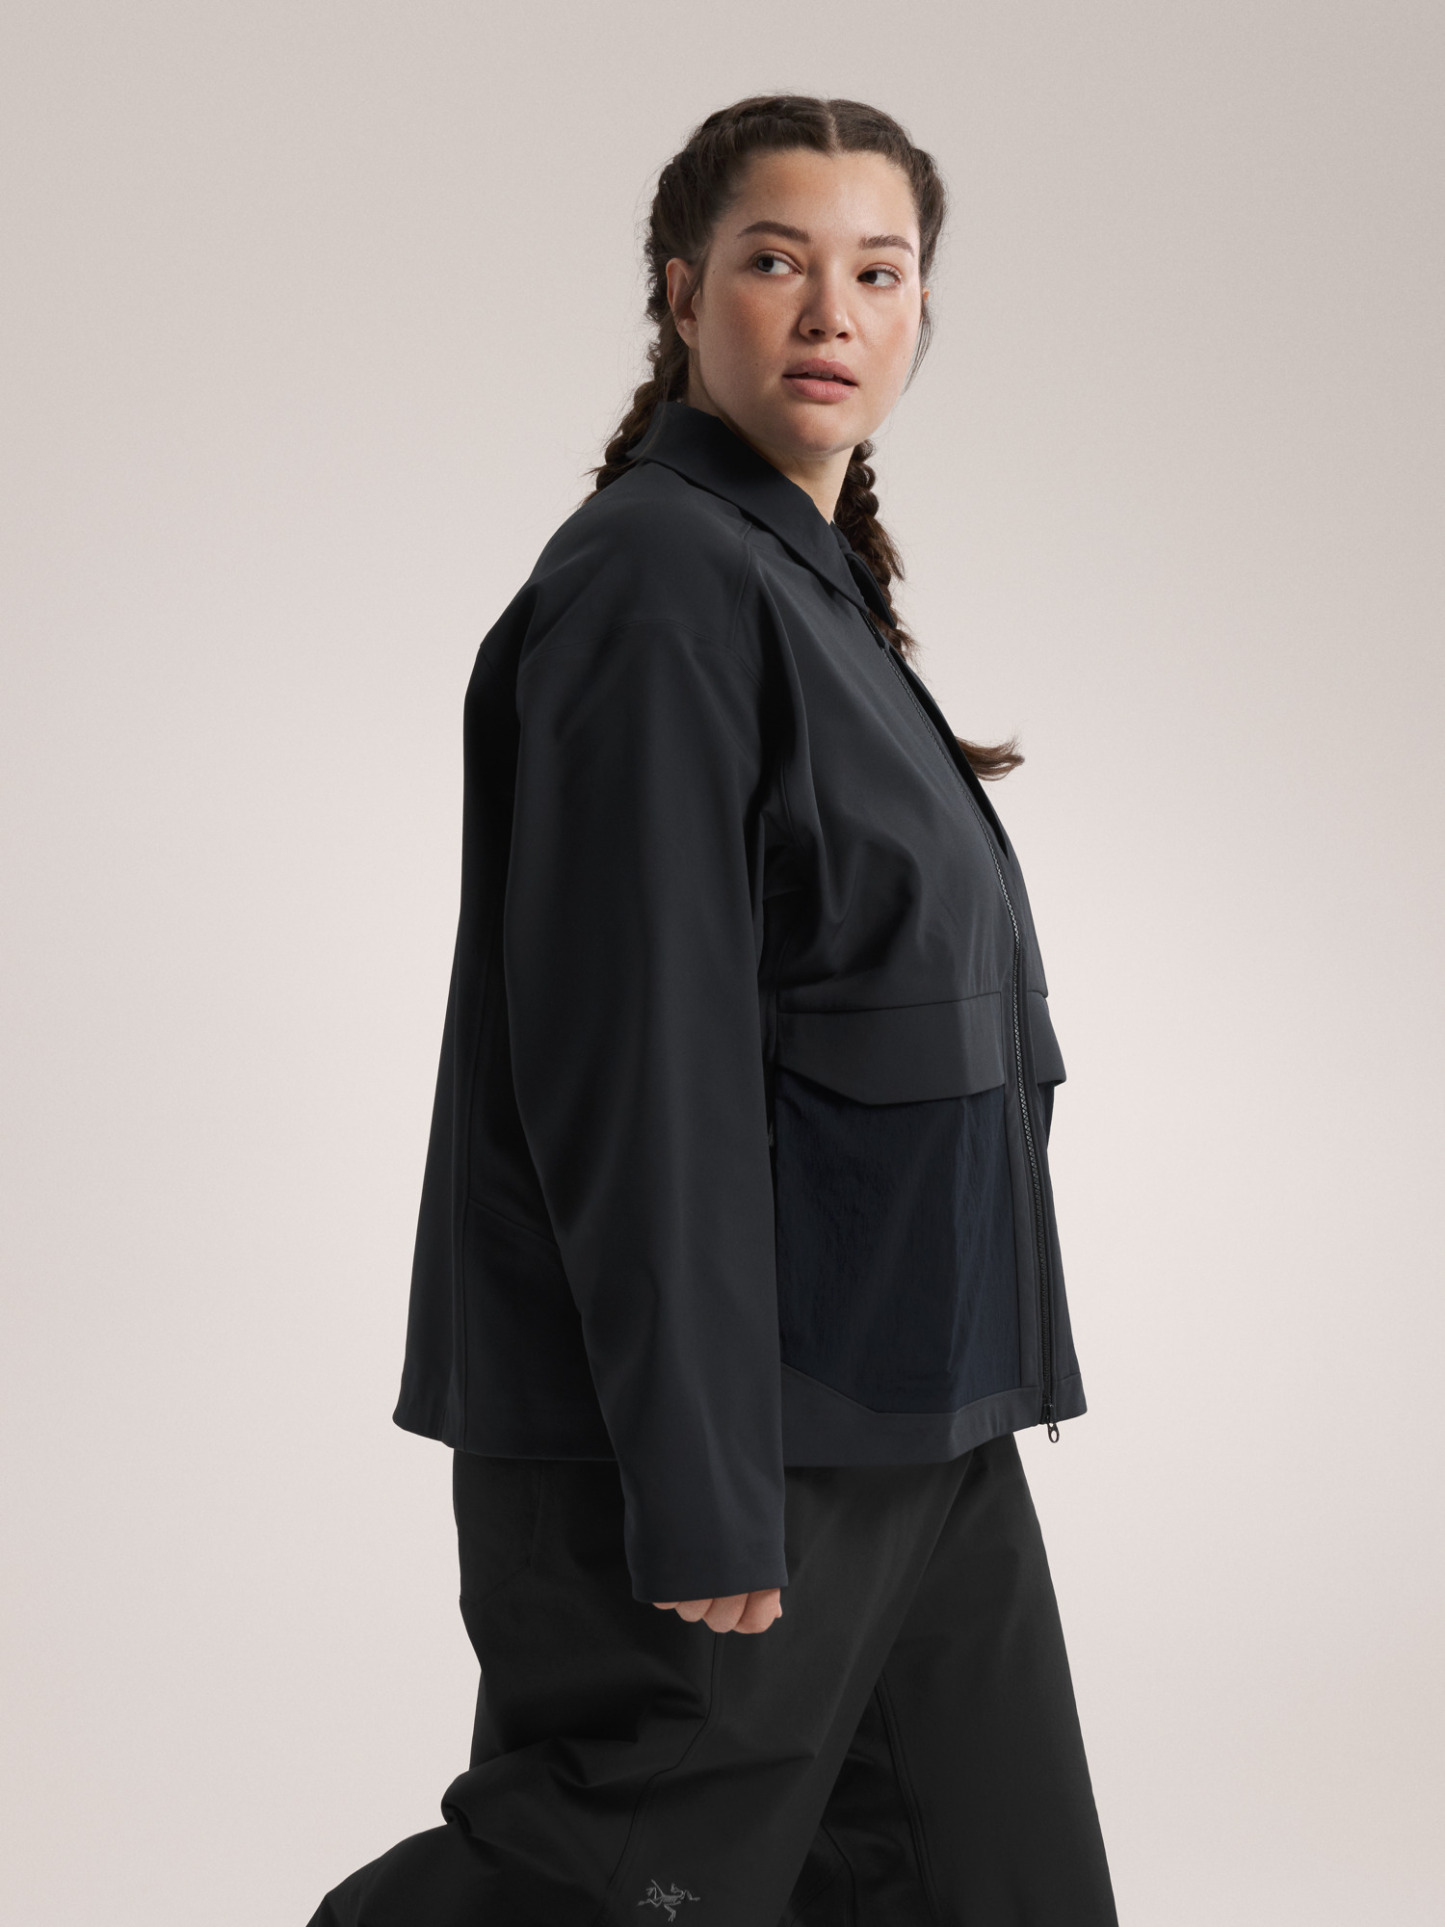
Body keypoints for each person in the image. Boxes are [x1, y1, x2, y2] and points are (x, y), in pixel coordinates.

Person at [308, 94, 1117, 1926]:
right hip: (740, 1431)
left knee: (995, 1887)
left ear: (920, 312)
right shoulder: (659, 581)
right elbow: (633, 1068)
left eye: (877, 272)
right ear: (681, 294)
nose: (831, 310)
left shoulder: (803, 584)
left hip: (909, 1414)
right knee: (594, 1889)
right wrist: (696, 1480)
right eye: (774, 261)